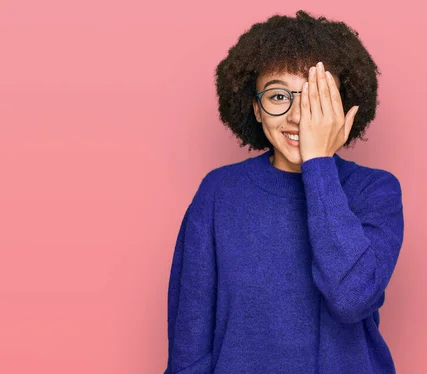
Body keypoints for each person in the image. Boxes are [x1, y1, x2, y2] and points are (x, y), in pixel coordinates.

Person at [164, 10, 404, 374]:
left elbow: (351, 299)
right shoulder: (219, 193)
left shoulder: (375, 190)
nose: (297, 117)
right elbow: (190, 339)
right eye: (279, 97)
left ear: (342, 107)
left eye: (314, 99)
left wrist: (319, 165)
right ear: (256, 109)